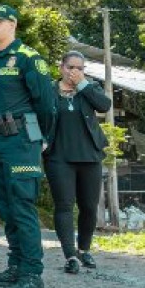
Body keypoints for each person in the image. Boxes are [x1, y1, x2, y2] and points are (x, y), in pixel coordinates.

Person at [0, 4, 55, 288]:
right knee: (5, 207)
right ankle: (16, 266)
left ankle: (33, 275)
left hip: (22, 141)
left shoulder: (28, 59)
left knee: (22, 206)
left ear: (13, 25)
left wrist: (40, 138)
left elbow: (47, 105)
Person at [44, 51, 111, 274]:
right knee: (64, 206)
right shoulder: (49, 91)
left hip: (89, 156)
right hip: (59, 157)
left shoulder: (90, 89)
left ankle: (84, 249)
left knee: (89, 207)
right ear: (61, 67)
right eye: (71, 67)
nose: (75, 71)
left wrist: (82, 85)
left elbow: (104, 106)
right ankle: (70, 255)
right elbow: (37, 115)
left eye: (80, 68)